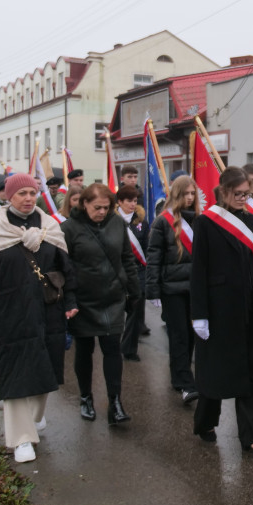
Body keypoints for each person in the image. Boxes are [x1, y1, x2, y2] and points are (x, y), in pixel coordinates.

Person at [0, 172, 78, 464]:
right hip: (6, 315)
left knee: (44, 371)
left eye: (32, 193)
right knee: (15, 374)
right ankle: (22, 439)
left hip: (47, 312)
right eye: (22, 194)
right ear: (9, 196)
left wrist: (72, 302)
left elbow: (66, 269)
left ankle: (34, 419)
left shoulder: (50, 226)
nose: (28, 199)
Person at [190, 166, 253, 455]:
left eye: (247, 195)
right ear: (223, 192)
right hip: (218, 309)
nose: (243, 199)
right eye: (238, 194)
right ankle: (205, 421)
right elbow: (198, 269)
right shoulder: (206, 223)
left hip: (250, 307)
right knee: (216, 373)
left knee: (252, 372)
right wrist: (199, 313)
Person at [62, 183, 140, 425]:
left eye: (107, 207)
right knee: (84, 351)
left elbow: (127, 257)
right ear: (83, 203)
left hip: (113, 298)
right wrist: (70, 300)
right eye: (97, 207)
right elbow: (64, 269)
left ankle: (115, 402)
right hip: (83, 301)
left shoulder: (117, 223)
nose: (102, 212)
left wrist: (134, 291)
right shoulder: (69, 229)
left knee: (112, 350)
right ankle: (85, 397)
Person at [146, 175, 200, 403]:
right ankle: (185, 383)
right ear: (177, 195)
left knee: (192, 338)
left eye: (192, 194)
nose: (189, 198)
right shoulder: (163, 222)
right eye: (185, 193)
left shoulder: (200, 220)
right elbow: (154, 258)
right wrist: (153, 291)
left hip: (196, 288)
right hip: (173, 289)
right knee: (178, 336)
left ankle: (180, 374)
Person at [116, 185, 149, 362]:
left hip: (139, 272)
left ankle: (129, 348)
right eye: (128, 201)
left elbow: (146, 249)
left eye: (135, 201)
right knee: (119, 310)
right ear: (119, 202)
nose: (132, 204)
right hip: (118, 273)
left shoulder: (142, 222)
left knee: (136, 312)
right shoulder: (111, 221)